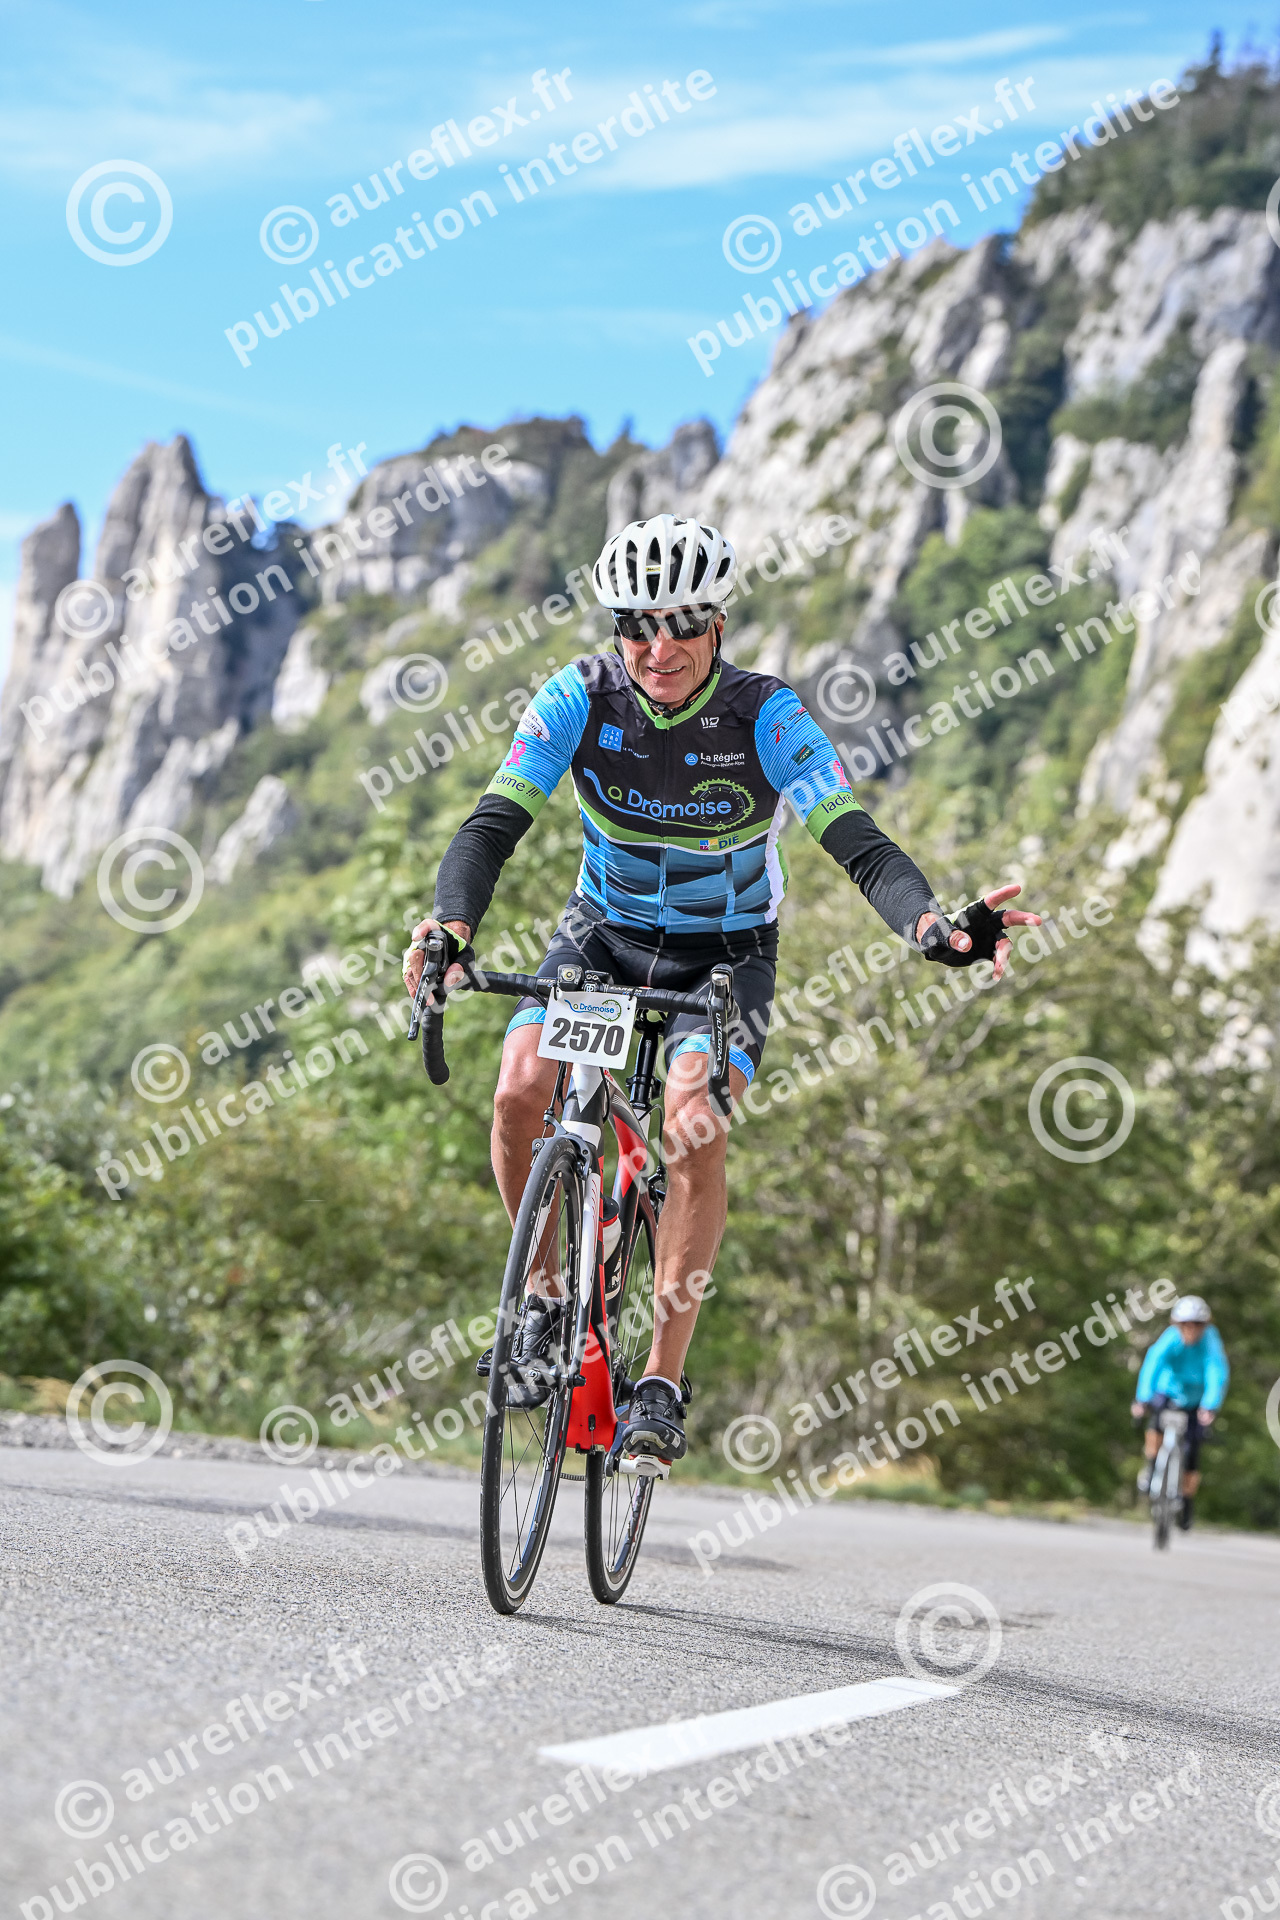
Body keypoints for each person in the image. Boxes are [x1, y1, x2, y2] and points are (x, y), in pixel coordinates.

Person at [403, 513, 1040, 1468]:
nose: (659, 648)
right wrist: (450, 928)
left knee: (693, 1122)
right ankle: (542, 1300)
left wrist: (931, 928)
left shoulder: (768, 717)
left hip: (725, 955)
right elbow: (491, 826)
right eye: (637, 624)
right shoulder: (577, 697)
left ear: (719, 625)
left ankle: (660, 1383)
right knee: (518, 1088)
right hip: (603, 935)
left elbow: (859, 845)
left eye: (684, 623)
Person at [1132, 1295, 1229, 1529]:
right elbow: (1153, 1364)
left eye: (1197, 1325)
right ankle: (1151, 1467)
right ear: (1178, 1324)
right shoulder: (1170, 1338)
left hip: (1196, 1399)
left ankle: (1186, 1501)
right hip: (1168, 1391)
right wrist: (1142, 1399)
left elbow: (1216, 1371)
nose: (1191, 1330)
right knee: (1155, 1425)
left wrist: (1210, 1405)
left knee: (1193, 1450)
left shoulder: (1210, 1341)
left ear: (1204, 1326)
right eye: (1186, 1324)